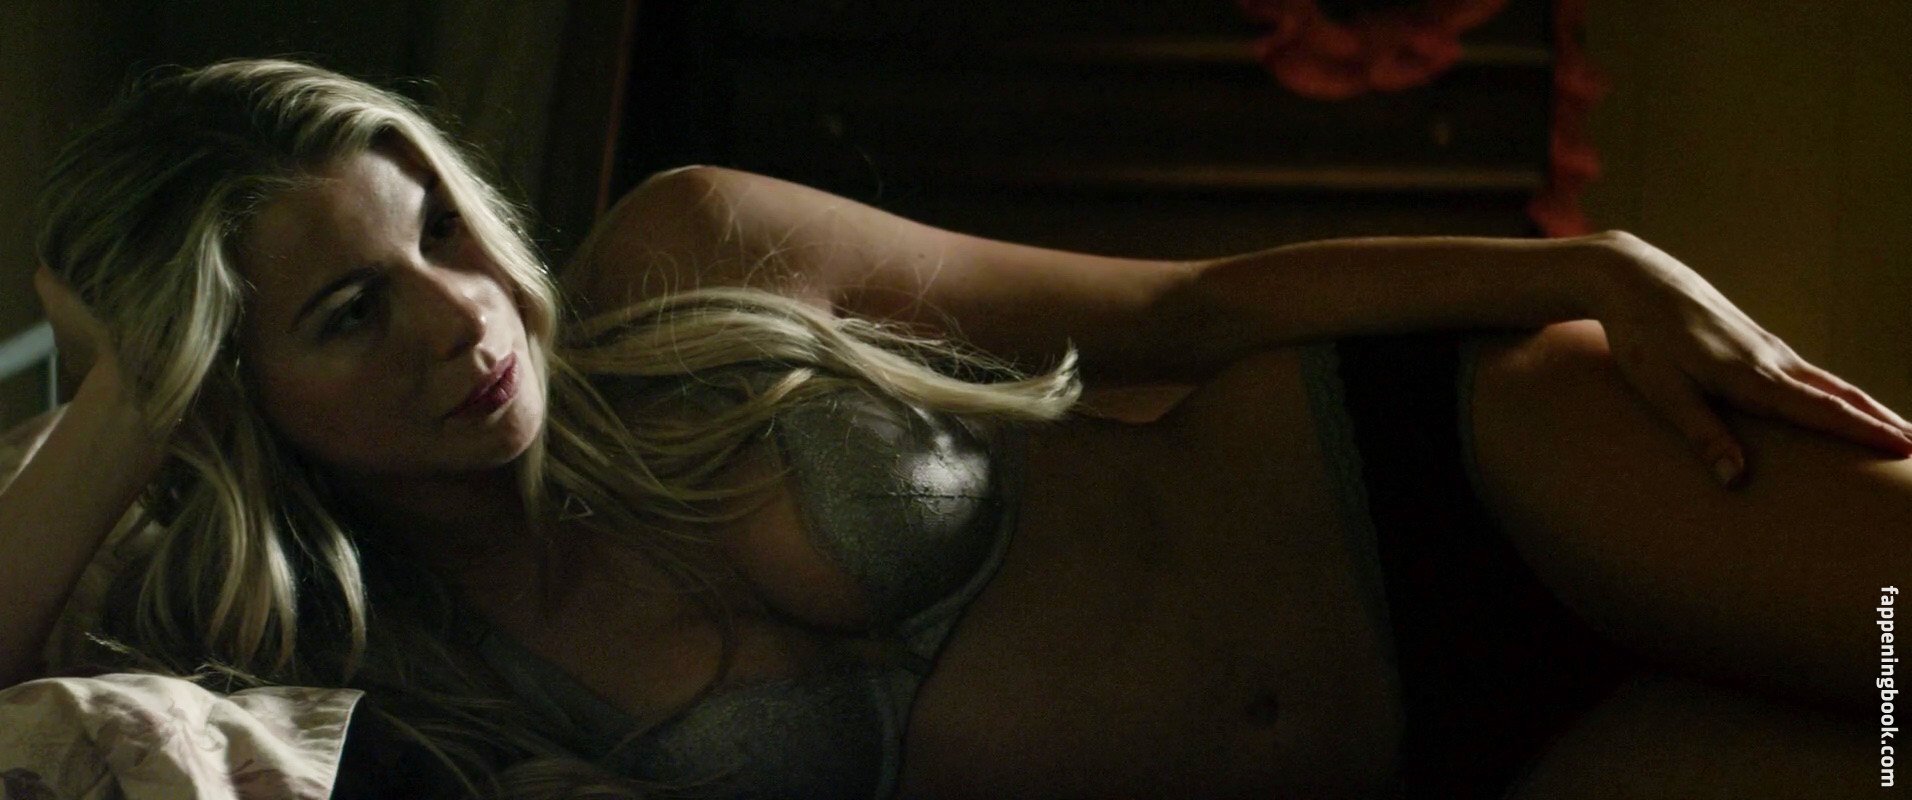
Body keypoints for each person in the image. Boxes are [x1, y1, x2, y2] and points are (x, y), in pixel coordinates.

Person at [2, 57, 1905, 799]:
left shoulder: (682, 257)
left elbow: (1190, 310)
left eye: (434, 231)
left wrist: (1595, 270)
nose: (460, 315)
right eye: (348, 313)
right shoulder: (371, 687)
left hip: (1458, 481)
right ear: (229, 393)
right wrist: (118, 401)